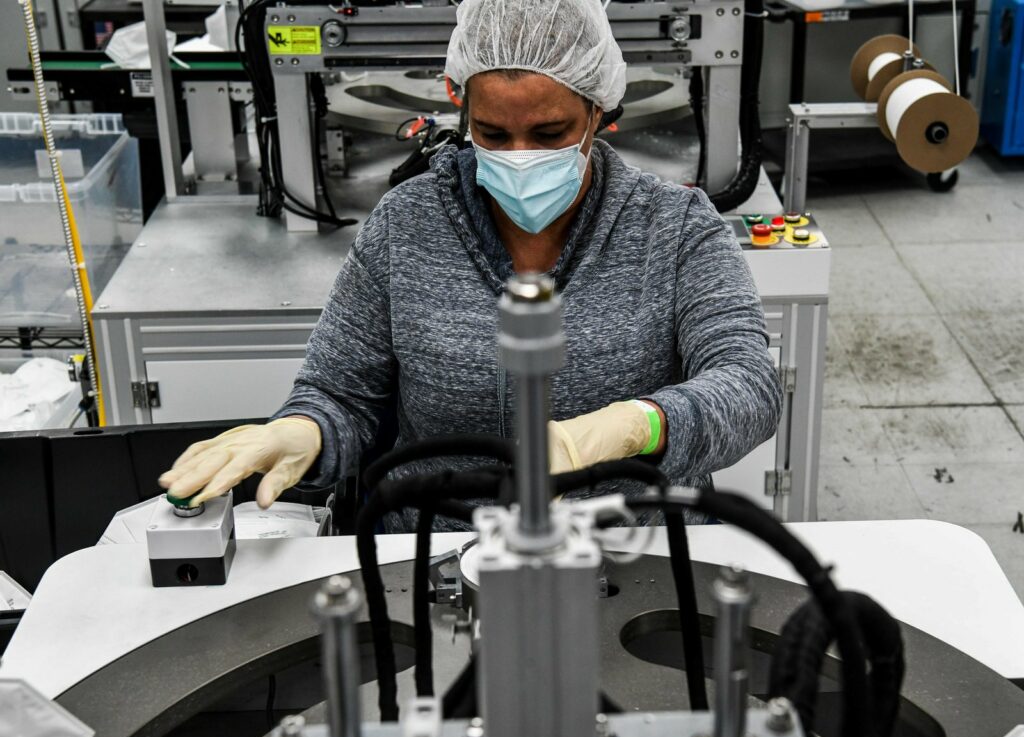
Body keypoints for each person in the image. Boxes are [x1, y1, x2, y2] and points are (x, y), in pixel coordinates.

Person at [159, 0, 782, 530]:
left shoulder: (674, 227)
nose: (519, 157)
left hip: (628, 557)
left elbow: (749, 385)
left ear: (600, 112)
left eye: (549, 133)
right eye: (492, 132)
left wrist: (632, 427)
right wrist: (305, 429)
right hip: (430, 556)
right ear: (461, 106)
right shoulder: (407, 224)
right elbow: (341, 393)